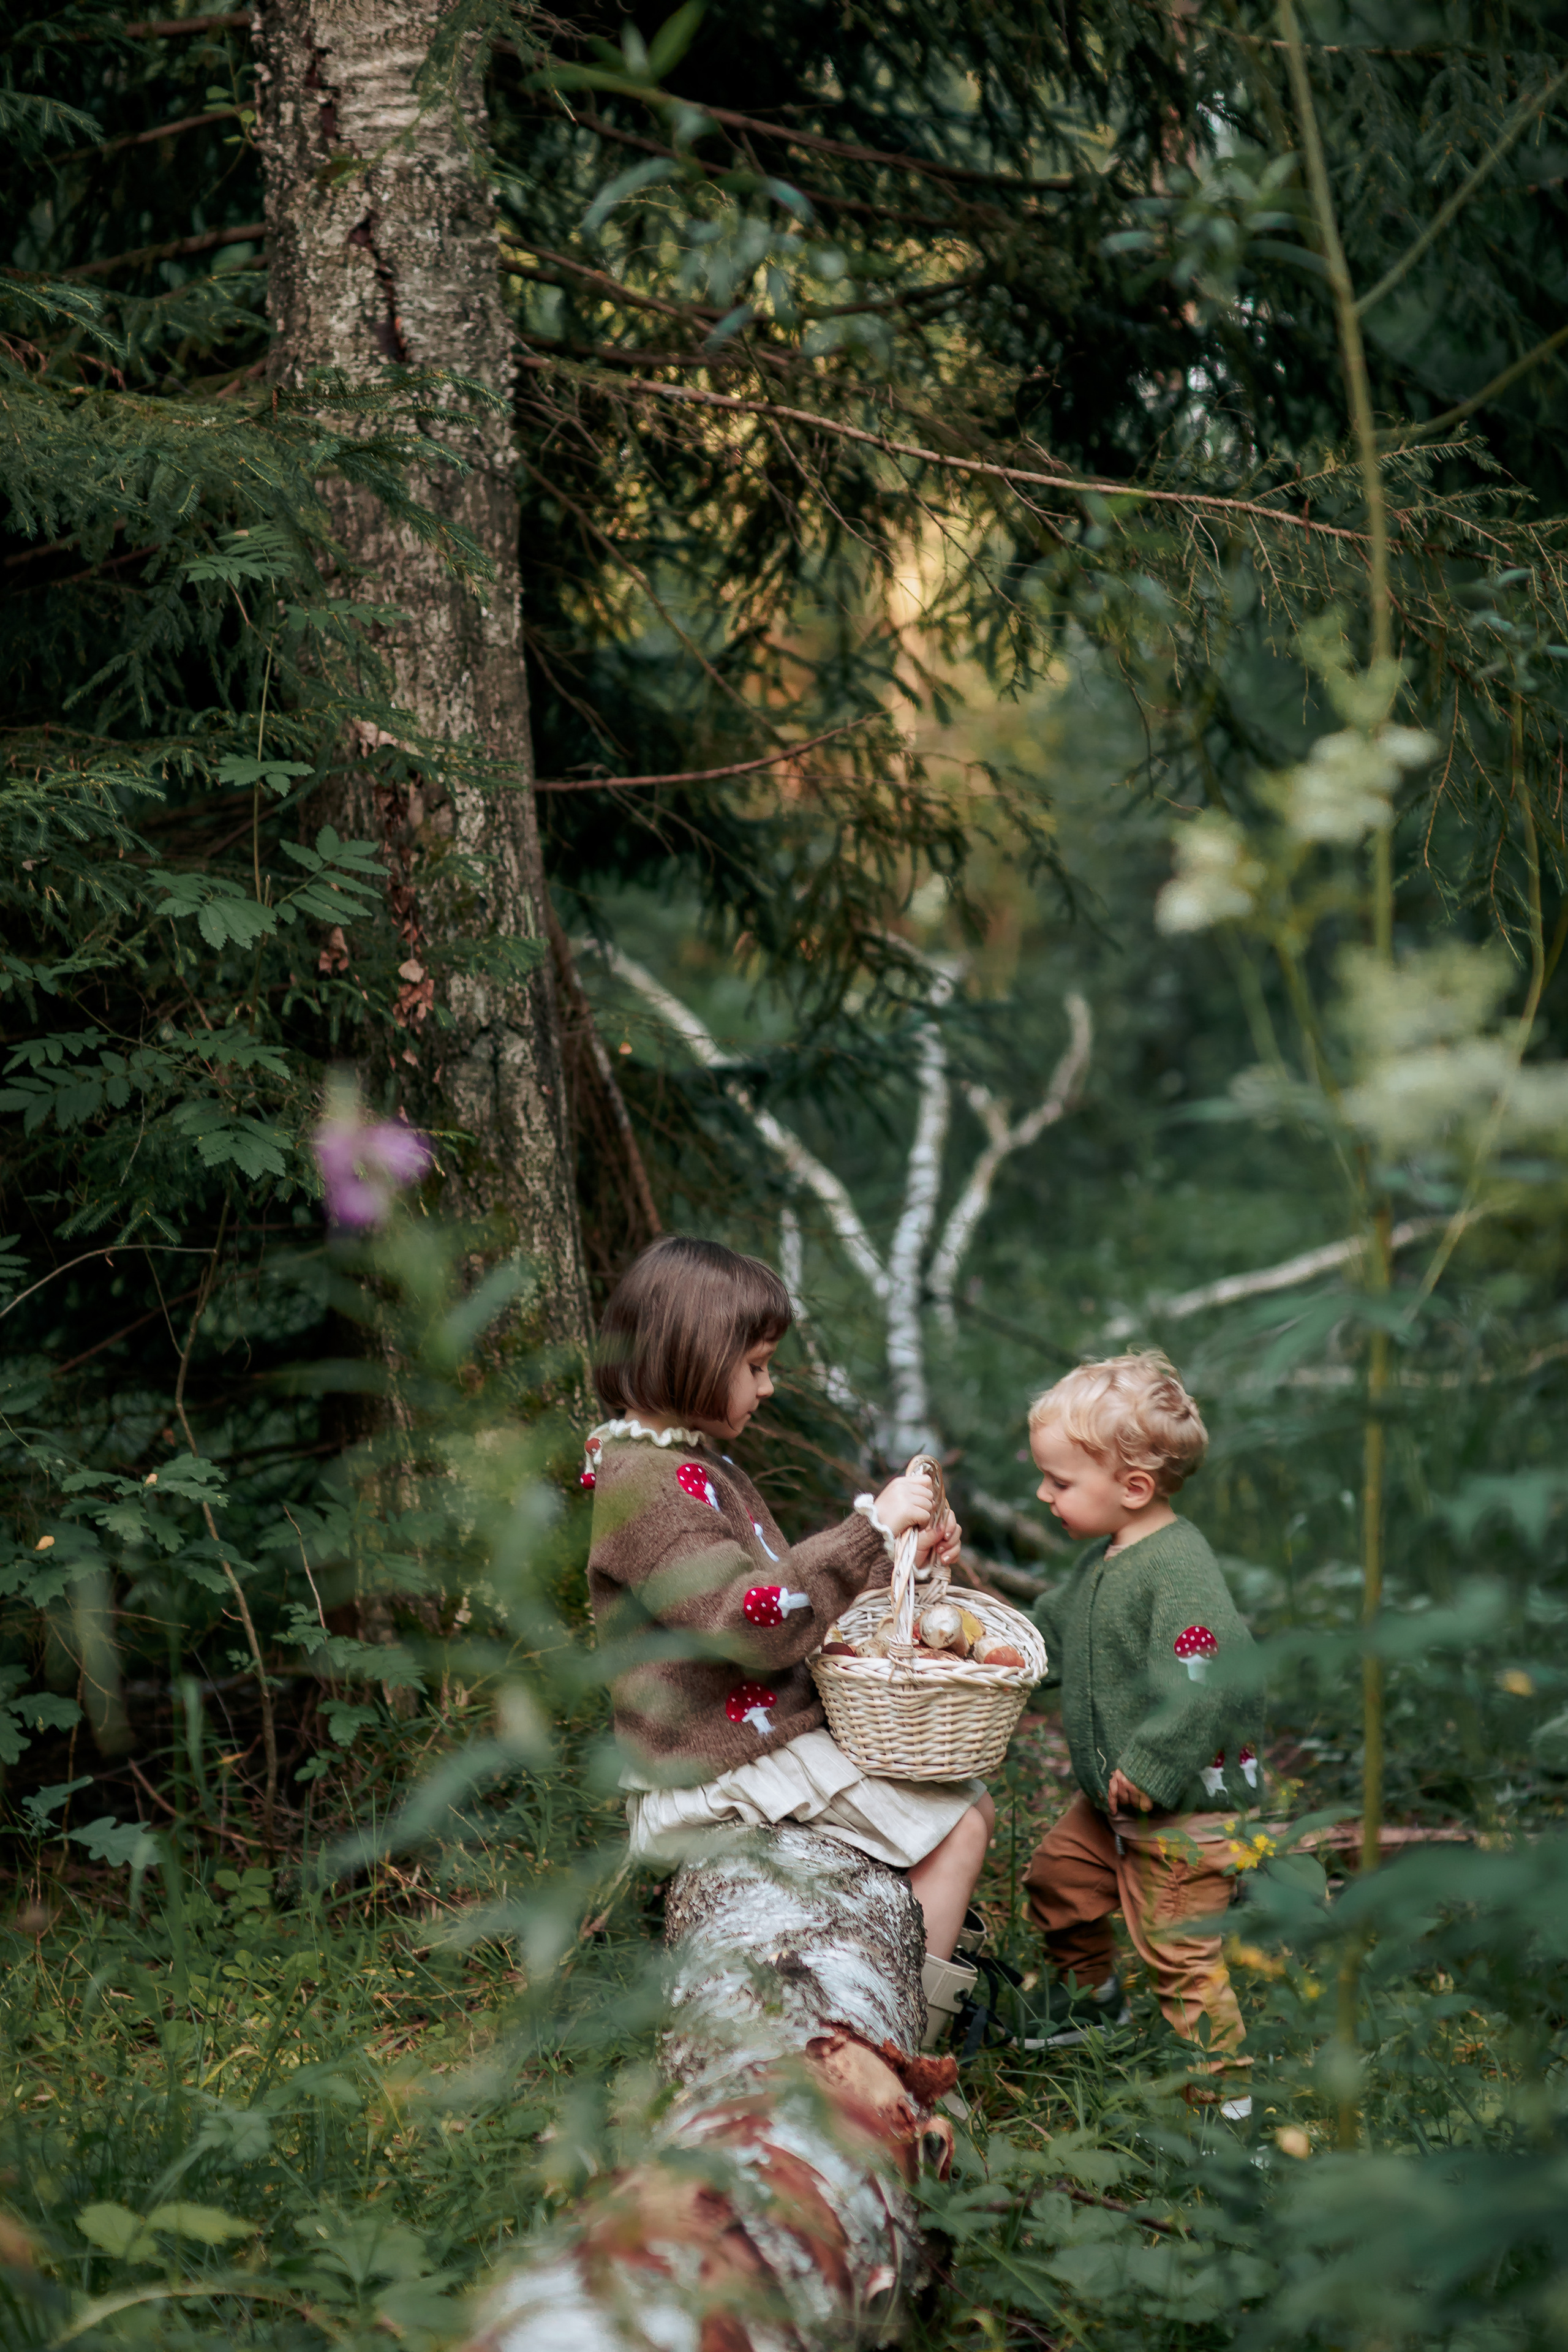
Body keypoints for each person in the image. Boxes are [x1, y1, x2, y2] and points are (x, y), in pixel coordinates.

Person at [583, 1233, 995, 2040]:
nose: (767, 1388)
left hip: (751, 1734)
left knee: (959, 1808)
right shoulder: (654, 1489)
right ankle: (906, 2042)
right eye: (757, 1366)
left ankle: (885, 1979)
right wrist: (868, 1528)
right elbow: (748, 1623)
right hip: (719, 1760)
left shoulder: (688, 1466)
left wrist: (888, 1559)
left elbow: (781, 1602)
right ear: (696, 1359)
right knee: (960, 1827)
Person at [1020, 1352, 1257, 2098]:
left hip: (1178, 1810)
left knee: (1181, 1958)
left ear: (1133, 1488)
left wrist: (1153, 1764)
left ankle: (1226, 2108)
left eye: (1059, 1483)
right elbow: (1054, 1631)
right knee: (1059, 1879)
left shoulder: (1178, 1571)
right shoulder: (1106, 1560)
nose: (1042, 1493)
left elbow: (1204, 1677)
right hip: (1113, 1803)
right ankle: (1092, 2002)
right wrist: (1001, 1648)